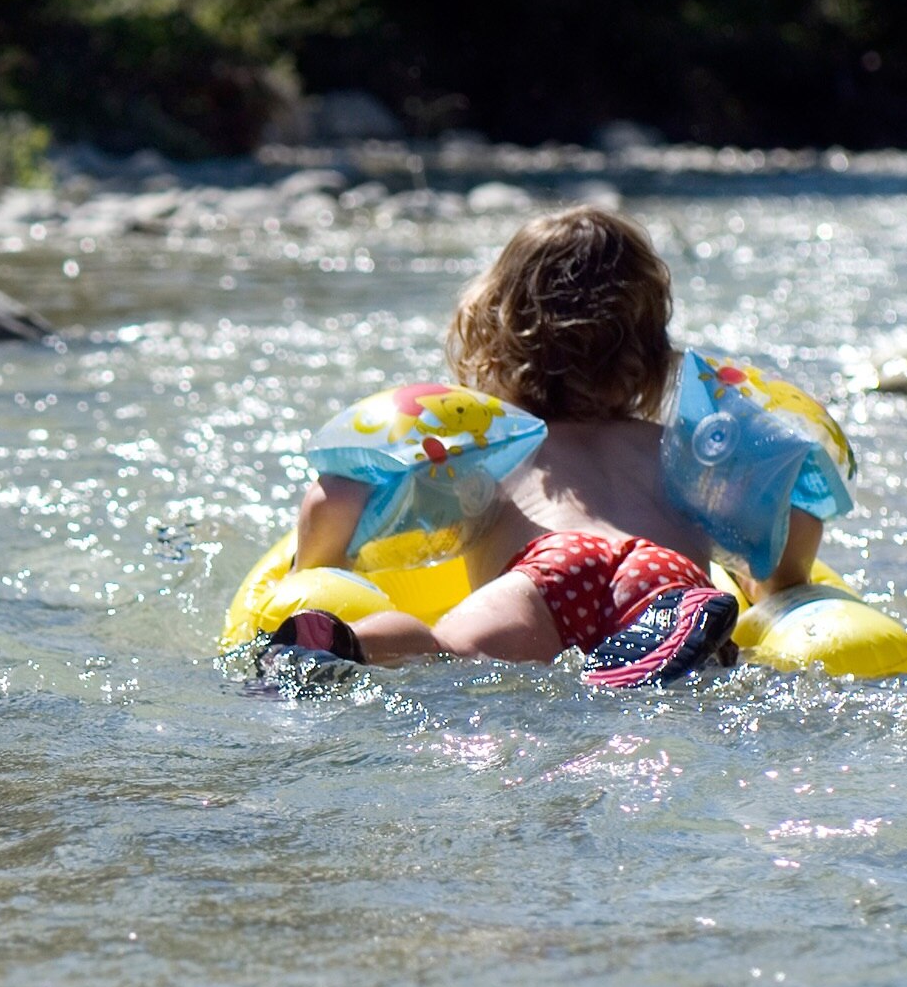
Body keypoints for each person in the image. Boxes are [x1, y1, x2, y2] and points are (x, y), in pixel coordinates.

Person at [272, 207, 814, 689]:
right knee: (704, 656)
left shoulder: (492, 449)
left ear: (490, 335)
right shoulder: (676, 451)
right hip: (663, 576)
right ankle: (672, 629)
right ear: (652, 353)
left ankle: (347, 645)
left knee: (444, 648)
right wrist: (781, 587)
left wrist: (313, 570)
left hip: (551, 572)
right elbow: (790, 512)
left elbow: (337, 495)